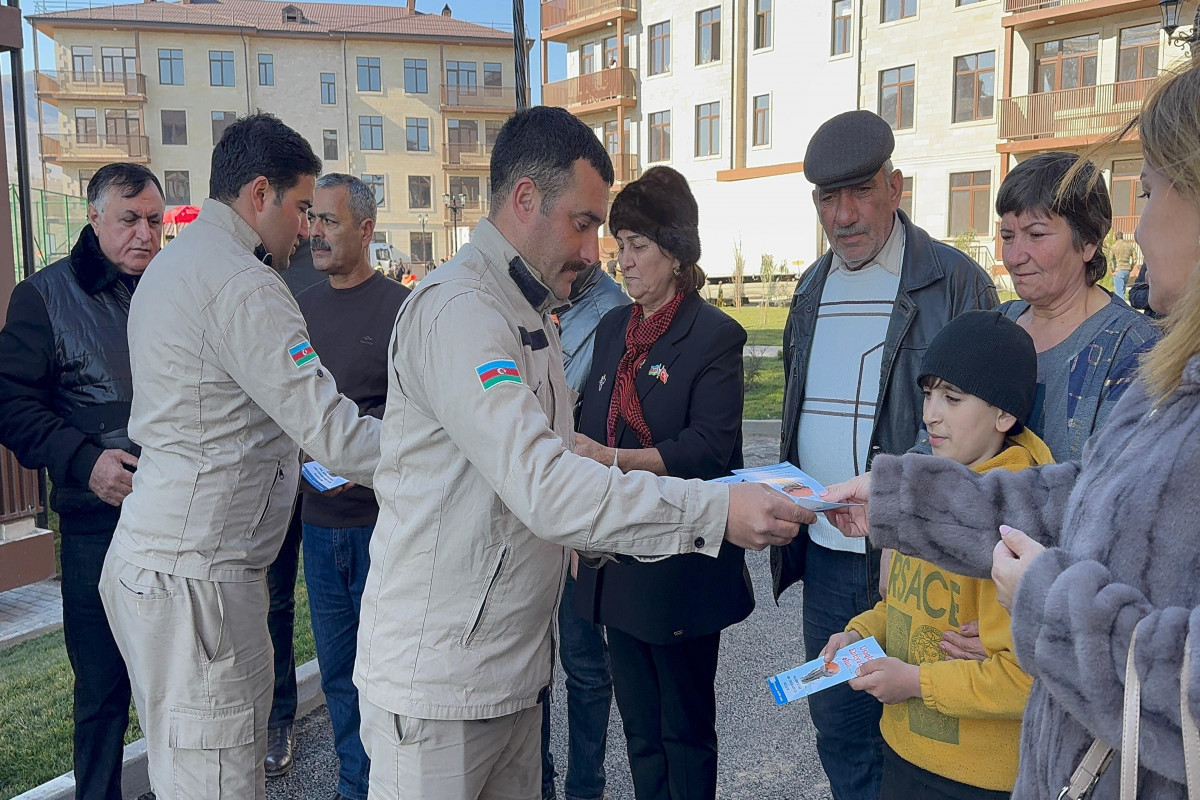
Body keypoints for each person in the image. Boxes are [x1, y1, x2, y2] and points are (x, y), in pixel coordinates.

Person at [353, 105, 808, 800]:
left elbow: (559, 459)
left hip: (507, 673)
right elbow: (547, 483)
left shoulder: (528, 314)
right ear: (526, 200)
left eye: (611, 233)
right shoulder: (463, 313)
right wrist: (714, 509)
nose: (599, 253)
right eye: (586, 224)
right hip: (441, 686)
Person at [822, 59, 1200, 800]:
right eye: (1007, 233)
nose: (1140, 223)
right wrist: (906, 501)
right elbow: (1090, 498)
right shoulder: (1168, 374)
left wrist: (1034, 610)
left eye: (1149, 192)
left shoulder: (1139, 353)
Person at [98, 112, 382, 800]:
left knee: (189, 769)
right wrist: (452, 447)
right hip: (200, 584)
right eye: (303, 209)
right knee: (216, 781)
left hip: (162, 565)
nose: (308, 229)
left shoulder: (172, 268)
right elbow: (337, 434)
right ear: (261, 195)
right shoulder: (246, 286)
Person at [769, 109, 998, 800]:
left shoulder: (955, 283)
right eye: (825, 199)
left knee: (918, 738)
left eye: (859, 191)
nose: (842, 215)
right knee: (838, 731)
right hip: (827, 561)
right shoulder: (809, 288)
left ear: (896, 186)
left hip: (913, 562)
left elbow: (985, 436)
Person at [571, 166, 753, 800]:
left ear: (676, 254)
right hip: (620, 560)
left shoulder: (714, 336)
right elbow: (591, 423)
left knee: (685, 732)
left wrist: (616, 460)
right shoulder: (611, 329)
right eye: (620, 246)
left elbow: (708, 448)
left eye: (638, 247)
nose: (624, 262)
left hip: (681, 562)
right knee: (641, 733)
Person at [822, 310, 1047, 800]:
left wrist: (916, 682)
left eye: (952, 397)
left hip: (977, 780)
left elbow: (1024, 678)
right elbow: (903, 604)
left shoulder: (1016, 525)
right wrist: (860, 633)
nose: (930, 414)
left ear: (1005, 414)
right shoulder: (917, 489)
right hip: (905, 752)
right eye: (928, 394)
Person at [0, 163, 163, 800]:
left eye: (154, 219)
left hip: (180, 518)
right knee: (101, 693)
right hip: (97, 526)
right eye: (130, 219)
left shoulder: (173, 289)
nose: (145, 233)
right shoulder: (43, 296)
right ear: (94, 218)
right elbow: (12, 405)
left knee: (176, 684)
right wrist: (83, 460)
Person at [293, 174, 410, 800]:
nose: (315, 231)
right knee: (338, 671)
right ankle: (352, 786)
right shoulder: (300, 310)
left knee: (385, 672)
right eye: (312, 217)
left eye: (330, 221)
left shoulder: (401, 310)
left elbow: (417, 413)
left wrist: (358, 456)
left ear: (365, 230)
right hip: (317, 524)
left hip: (380, 524)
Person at [995, 152, 1158, 462]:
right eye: (1007, 236)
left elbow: (1109, 487)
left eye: (1036, 235)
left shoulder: (1133, 350)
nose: (1014, 256)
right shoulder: (992, 328)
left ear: (1088, 243)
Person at [542, 259, 630, 800]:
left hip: (573, 517)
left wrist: (583, 528)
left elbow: (604, 429)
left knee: (583, 666)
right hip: (526, 512)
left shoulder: (611, 315)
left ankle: (583, 789)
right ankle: (538, 785)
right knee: (528, 670)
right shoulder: (531, 299)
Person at [264, 236, 324, 780]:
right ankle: (279, 719)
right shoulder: (258, 277)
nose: (314, 226)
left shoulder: (369, 292)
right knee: (276, 602)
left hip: (342, 487)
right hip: (278, 479)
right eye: (308, 209)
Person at [1110, 230, 1139, 299]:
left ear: (1115, 237)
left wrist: (1112, 269)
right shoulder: (1129, 246)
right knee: (1123, 290)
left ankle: (1121, 308)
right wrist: (1131, 267)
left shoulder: (1113, 247)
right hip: (1127, 269)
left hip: (1118, 269)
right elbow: (1135, 258)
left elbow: (1111, 259)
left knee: (1119, 292)